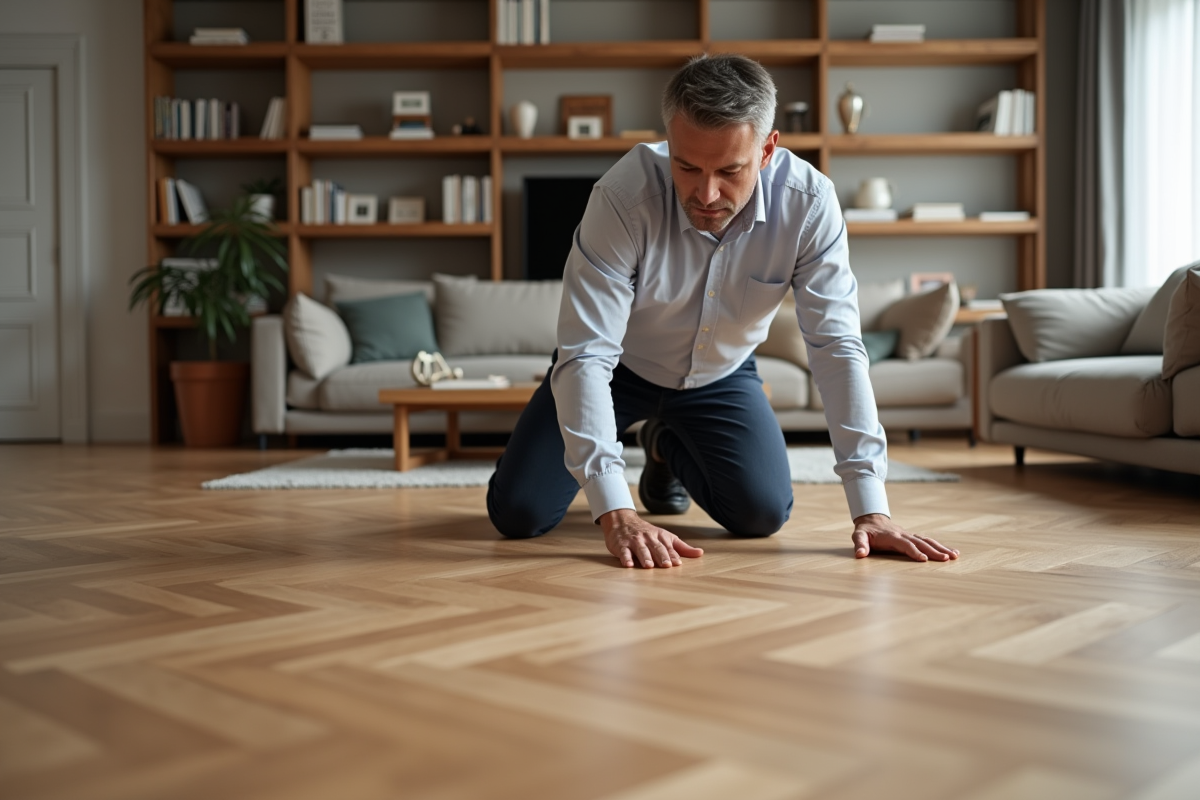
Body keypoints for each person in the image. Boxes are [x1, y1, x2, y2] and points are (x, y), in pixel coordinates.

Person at [487, 54, 960, 569]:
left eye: (730, 170)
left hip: (721, 373)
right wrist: (617, 510)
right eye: (687, 166)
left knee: (761, 514)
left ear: (767, 150)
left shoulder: (809, 204)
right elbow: (585, 357)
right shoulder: (621, 199)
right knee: (518, 514)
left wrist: (872, 510)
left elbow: (836, 348)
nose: (706, 194)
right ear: (668, 139)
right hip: (617, 369)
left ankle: (663, 447)